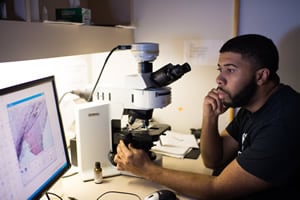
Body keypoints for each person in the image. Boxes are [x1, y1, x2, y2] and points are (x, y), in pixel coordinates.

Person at [114, 34, 300, 199]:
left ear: (261, 77)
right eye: (220, 69)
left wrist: (147, 170)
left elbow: (217, 189)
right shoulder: (252, 107)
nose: (219, 79)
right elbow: (213, 160)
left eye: (231, 69)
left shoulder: (283, 121)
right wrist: (210, 118)